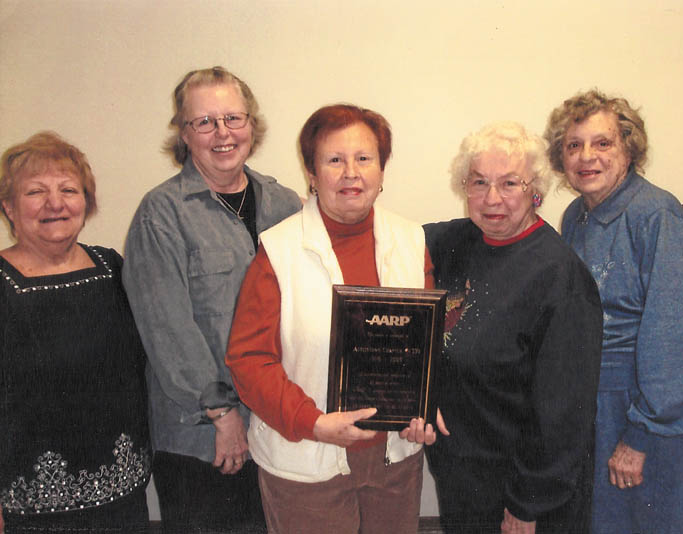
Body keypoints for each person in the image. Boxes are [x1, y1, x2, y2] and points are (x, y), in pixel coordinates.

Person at [226, 104, 437, 534]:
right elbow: (249, 361)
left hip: (393, 459)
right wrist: (314, 422)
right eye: (334, 160)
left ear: (382, 169)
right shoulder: (279, 251)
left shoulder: (411, 241)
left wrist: (427, 408)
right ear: (311, 172)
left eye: (364, 158)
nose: (350, 173)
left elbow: (429, 344)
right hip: (306, 459)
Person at [122, 66, 301, 531]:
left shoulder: (285, 205)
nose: (222, 133)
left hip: (273, 428)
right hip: (202, 437)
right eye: (204, 122)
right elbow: (166, 328)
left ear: (251, 125)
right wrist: (222, 415)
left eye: (233, 118)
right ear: (184, 134)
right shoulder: (160, 213)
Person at [424, 121, 603, 534]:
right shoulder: (454, 242)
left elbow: (563, 415)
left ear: (534, 191)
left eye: (509, 184)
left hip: (522, 495)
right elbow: (384, 242)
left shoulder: (561, 277)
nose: (491, 199)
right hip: (462, 480)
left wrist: (527, 504)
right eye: (478, 182)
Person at [544, 90, 683, 534]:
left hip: (649, 402)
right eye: (573, 145)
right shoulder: (575, 216)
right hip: (600, 400)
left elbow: (671, 339)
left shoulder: (657, 215)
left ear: (629, 147)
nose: (587, 157)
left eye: (603, 143)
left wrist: (639, 436)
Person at [0, 132, 151, 532]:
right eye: (35, 192)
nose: (55, 203)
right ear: (9, 208)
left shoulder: (113, 268)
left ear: (86, 203)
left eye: (68, 189)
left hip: (125, 498)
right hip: (32, 512)